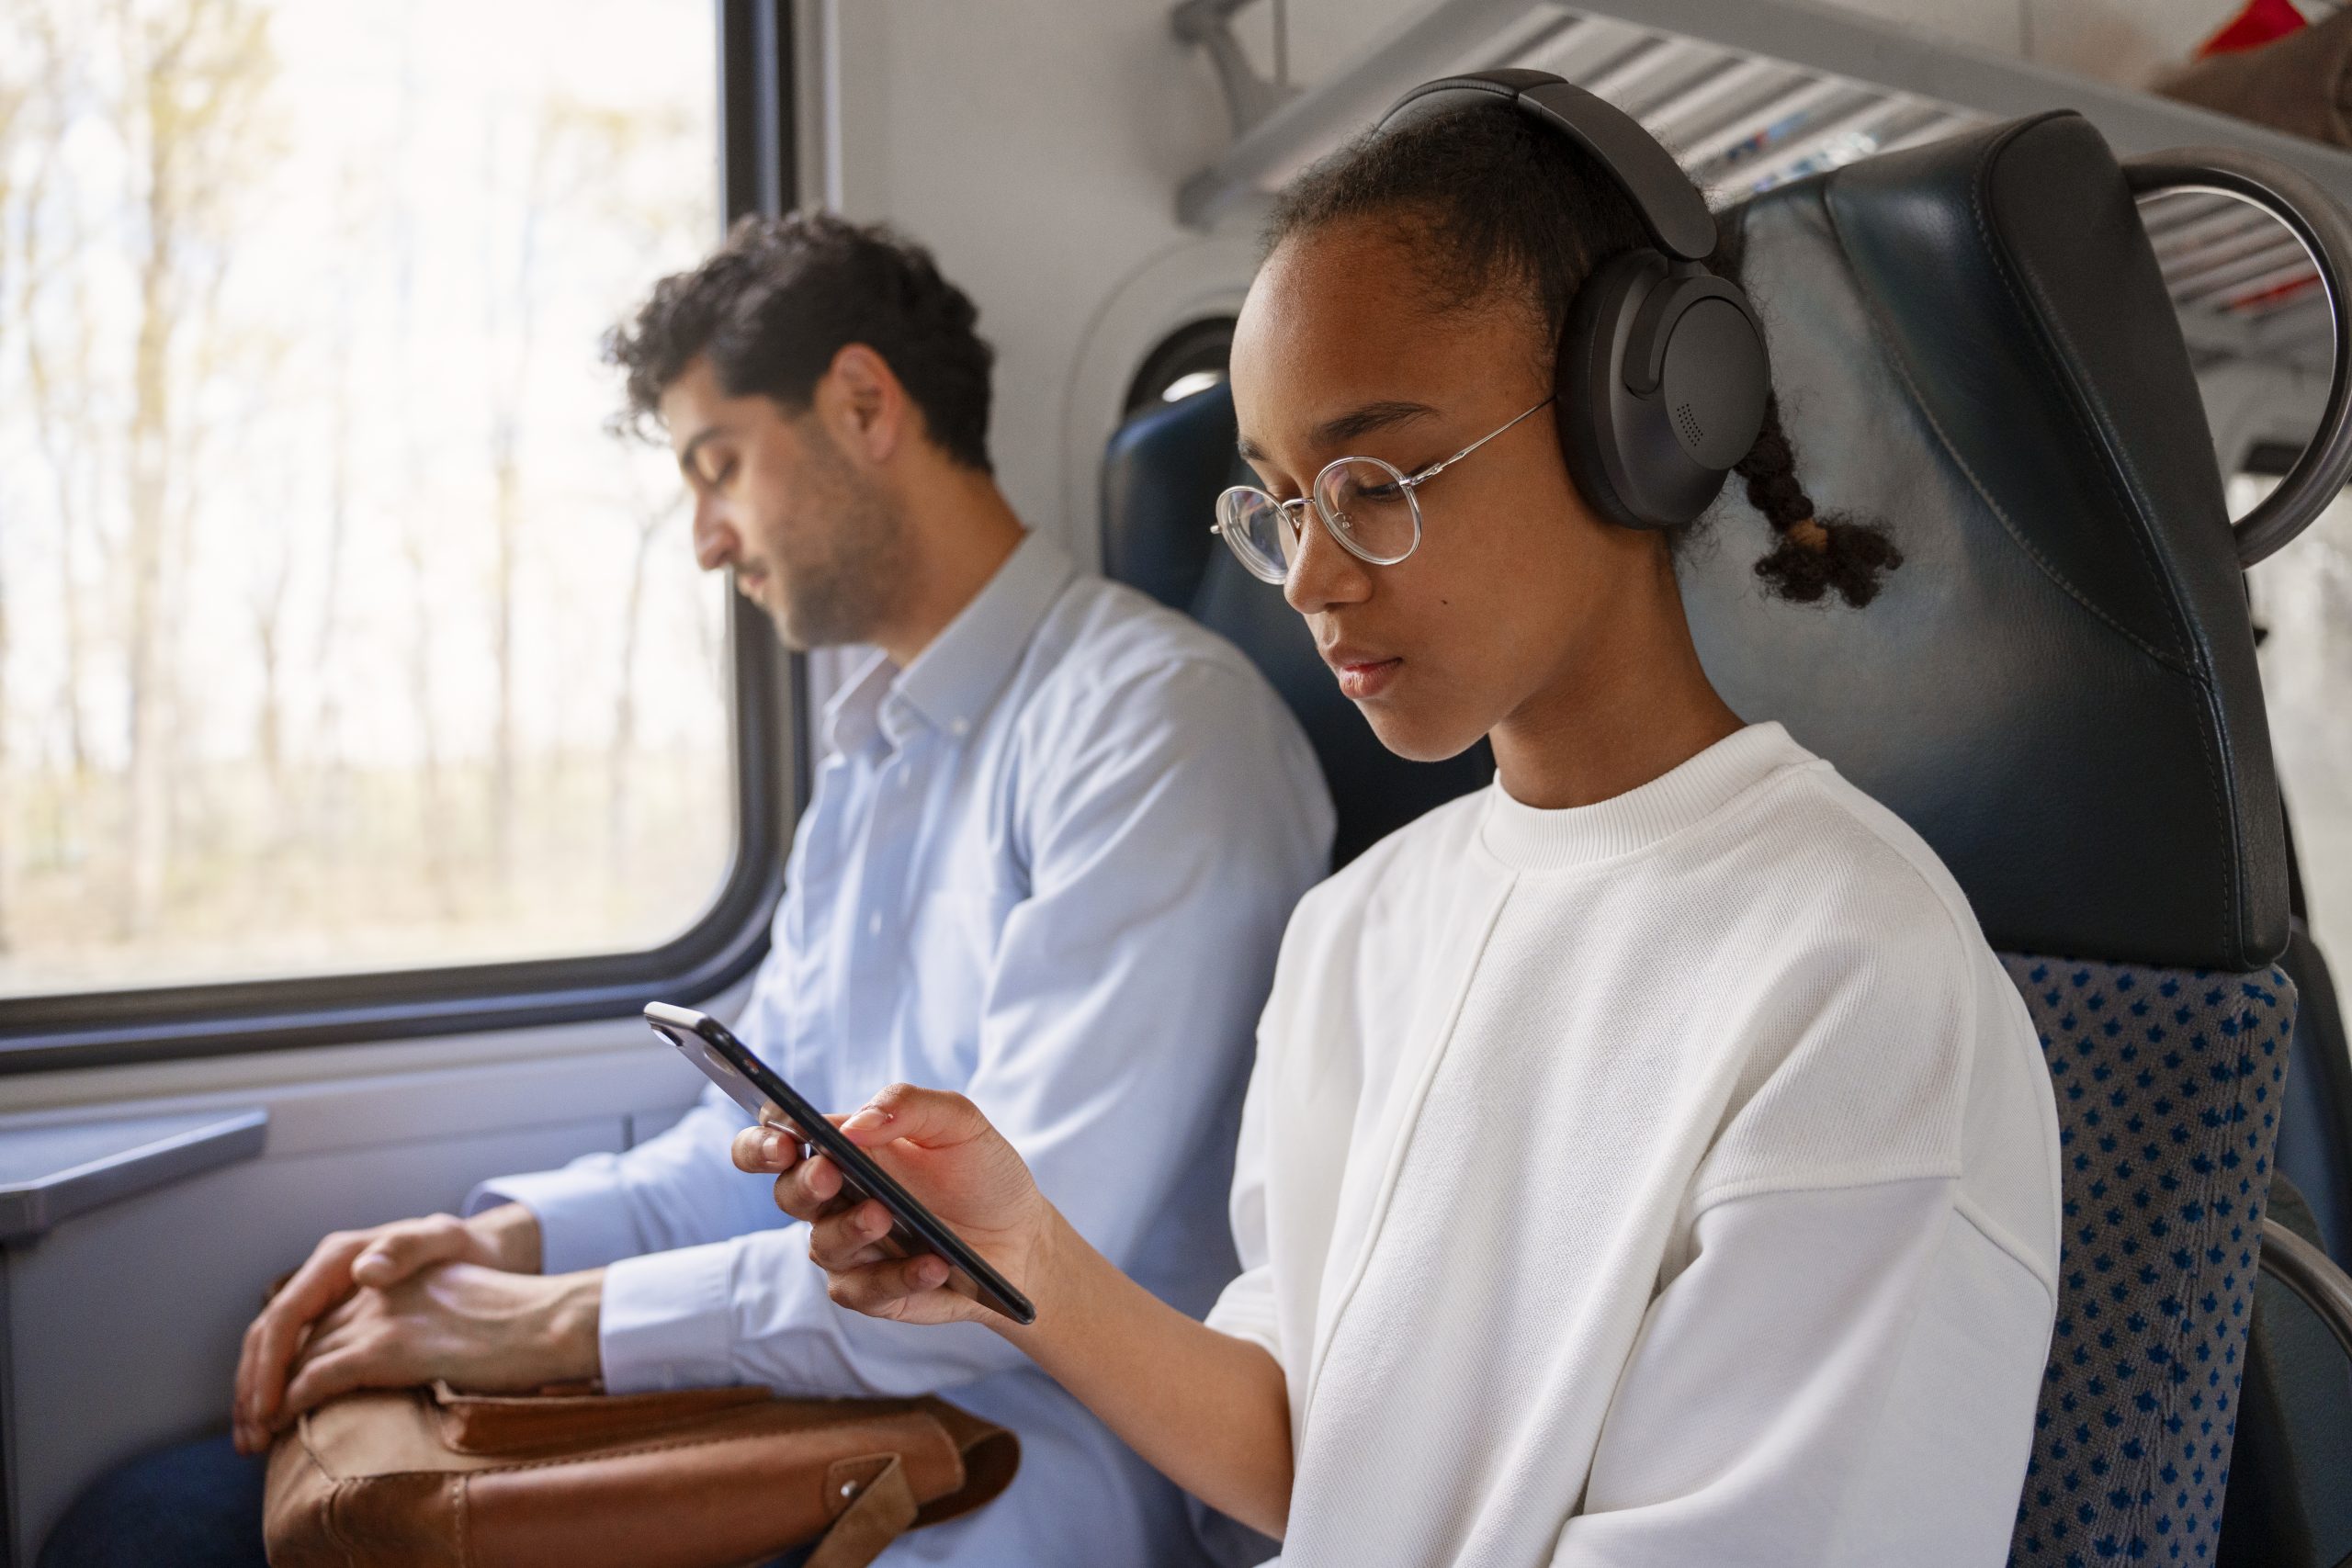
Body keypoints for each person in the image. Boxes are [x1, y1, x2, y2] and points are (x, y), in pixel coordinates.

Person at [736, 90, 2065, 1567]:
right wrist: (1020, 1255)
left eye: (1374, 482)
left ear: (1633, 424)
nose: (1307, 577)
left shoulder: (1852, 976)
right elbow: (1324, 1456)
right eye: (1283, 501)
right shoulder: (1358, 927)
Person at [39, 214, 1332, 1568]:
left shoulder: (1157, 735)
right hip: (815, 1402)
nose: (709, 542)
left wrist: (550, 1326)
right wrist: (500, 1245)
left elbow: (998, 1275)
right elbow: (756, 1167)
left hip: (1027, 1452)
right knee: (143, 1524)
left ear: (861, 406)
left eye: (719, 468)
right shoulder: (874, 760)